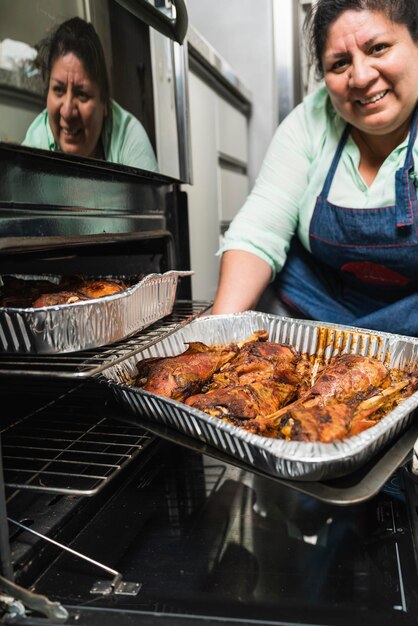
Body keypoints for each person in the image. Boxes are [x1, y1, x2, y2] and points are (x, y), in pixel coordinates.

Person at [212, 0, 418, 337]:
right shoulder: (309, 122)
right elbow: (258, 231)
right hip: (319, 314)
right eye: (340, 64)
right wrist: (215, 333)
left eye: (378, 48)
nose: (361, 76)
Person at [22, 16, 158, 172]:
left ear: (105, 103)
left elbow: (149, 196)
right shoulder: (36, 143)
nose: (67, 111)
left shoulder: (129, 138)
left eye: (82, 94)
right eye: (58, 90)